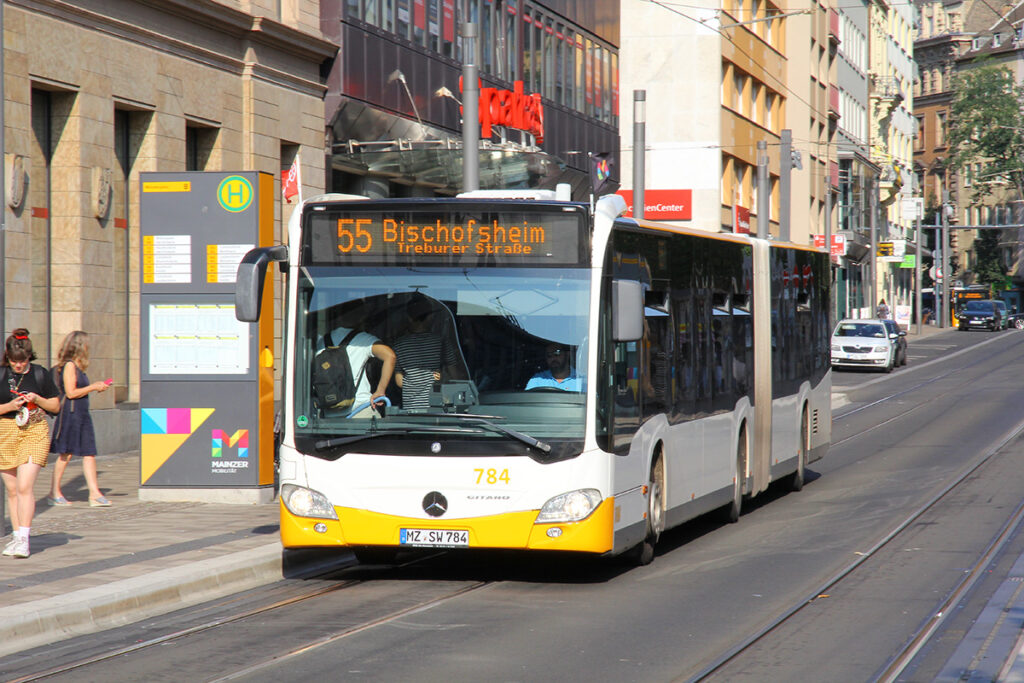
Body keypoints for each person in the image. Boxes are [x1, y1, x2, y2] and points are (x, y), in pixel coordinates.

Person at [0, 329, 60, 558]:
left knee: (25, 486)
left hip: (34, 429)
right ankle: (16, 537)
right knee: (13, 490)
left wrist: (38, 399)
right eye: (14, 361)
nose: (18, 365)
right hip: (5, 431)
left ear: (29, 357)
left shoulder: (40, 374)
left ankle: (24, 539)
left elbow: (55, 406)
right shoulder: (1, 374)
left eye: (22, 361)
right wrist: (9, 407)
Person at [48, 331, 112, 507]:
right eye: (86, 345)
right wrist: (93, 387)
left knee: (89, 452)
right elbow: (71, 392)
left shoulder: (78, 367)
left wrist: (96, 387)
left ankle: (94, 493)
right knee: (66, 453)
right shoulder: (69, 366)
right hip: (71, 413)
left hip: (82, 413)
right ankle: (54, 492)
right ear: (79, 346)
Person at [316, 299, 395, 417]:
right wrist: (380, 390)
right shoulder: (364, 340)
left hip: (329, 413)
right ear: (361, 316)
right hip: (360, 410)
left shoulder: (322, 341)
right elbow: (390, 356)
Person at [393, 297, 462, 410]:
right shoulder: (441, 342)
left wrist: (414, 385)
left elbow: (399, 381)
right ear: (430, 317)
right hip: (438, 405)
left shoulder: (399, 344)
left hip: (411, 407)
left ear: (409, 318)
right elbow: (455, 376)